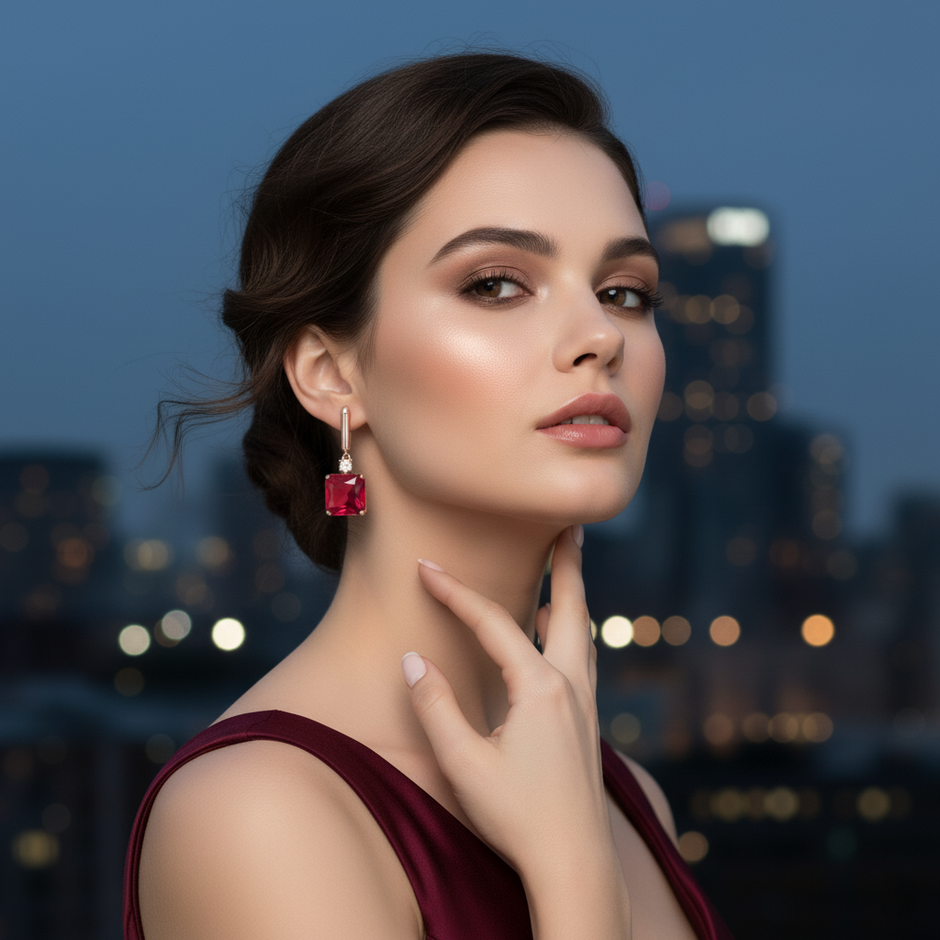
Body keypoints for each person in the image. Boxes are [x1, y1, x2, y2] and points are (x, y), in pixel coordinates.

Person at [123, 52, 734, 940]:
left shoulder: (621, 792)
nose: (599, 335)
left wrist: (577, 832)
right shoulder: (257, 813)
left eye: (625, 291)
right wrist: (570, 877)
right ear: (333, 373)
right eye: (495, 284)